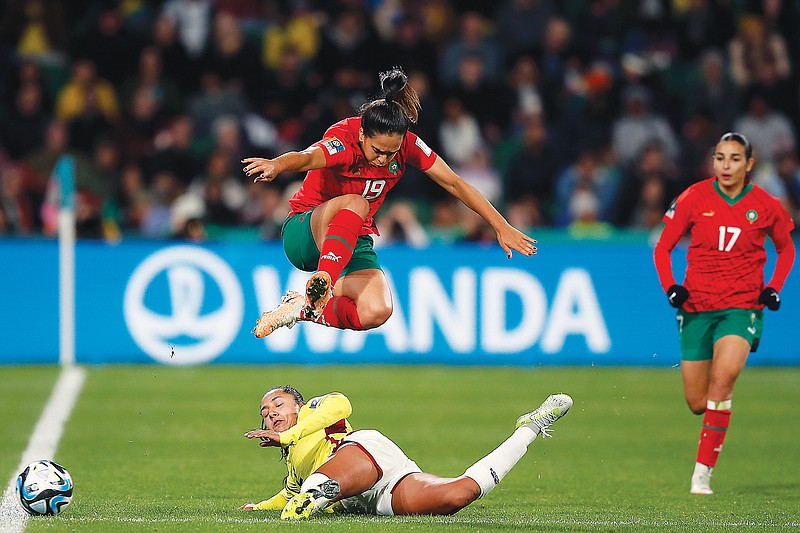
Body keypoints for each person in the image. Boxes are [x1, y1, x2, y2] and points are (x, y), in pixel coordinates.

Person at [242, 67, 536, 338]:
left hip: (350, 239)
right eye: (377, 150)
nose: (384, 159)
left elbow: (455, 183)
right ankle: (324, 280)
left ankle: (302, 308)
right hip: (305, 232)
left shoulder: (407, 145)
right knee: (357, 203)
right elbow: (307, 157)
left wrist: (501, 226)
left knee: (376, 310)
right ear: (361, 134)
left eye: (391, 152)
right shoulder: (343, 140)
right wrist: (278, 164)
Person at [653, 132, 795, 495]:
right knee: (698, 402)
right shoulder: (693, 197)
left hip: (742, 307)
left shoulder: (767, 205)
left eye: (734, 159)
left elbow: (786, 249)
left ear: (749, 164)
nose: (725, 165)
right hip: (697, 307)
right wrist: (672, 286)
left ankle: (702, 475)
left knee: (723, 381)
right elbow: (663, 247)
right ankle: (716, 415)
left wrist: (774, 287)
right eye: (720, 158)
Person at [239, 385, 572, 519]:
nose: (271, 414)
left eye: (278, 404)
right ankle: (529, 426)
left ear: (297, 404)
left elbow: (342, 403)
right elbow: (287, 492)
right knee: (456, 496)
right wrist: (259, 506)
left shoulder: (311, 413)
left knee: (305, 500)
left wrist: (290, 436)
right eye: (265, 412)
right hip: (371, 495)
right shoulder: (296, 464)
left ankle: (321, 492)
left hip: (366, 454)